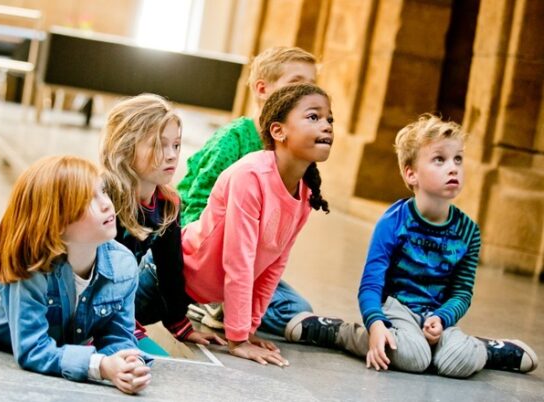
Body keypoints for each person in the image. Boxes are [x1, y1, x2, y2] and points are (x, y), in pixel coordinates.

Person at [285, 114, 539, 377]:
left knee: (457, 362)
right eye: (439, 159)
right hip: (397, 310)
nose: (453, 168)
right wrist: (376, 324)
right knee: (413, 358)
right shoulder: (393, 221)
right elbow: (371, 285)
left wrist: (442, 318)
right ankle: (341, 333)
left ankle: (486, 350)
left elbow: (462, 293)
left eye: (458, 159)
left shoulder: (469, 232)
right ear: (411, 174)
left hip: (438, 318)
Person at [0, 156, 152, 394]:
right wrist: (101, 366)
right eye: (89, 200)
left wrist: (128, 364)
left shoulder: (122, 265)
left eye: (103, 191)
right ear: (57, 221)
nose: (106, 204)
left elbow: (118, 338)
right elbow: (32, 349)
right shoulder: (32, 266)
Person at [181, 83, 334, 366]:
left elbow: (273, 266)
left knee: (298, 305)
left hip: (207, 291)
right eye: (314, 117)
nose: (326, 126)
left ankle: (215, 310)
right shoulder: (250, 175)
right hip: (170, 279)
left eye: (329, 119)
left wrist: (248, 330)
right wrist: (237, 339)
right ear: (278, 131)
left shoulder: (305, 193)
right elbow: (239, 261)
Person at [177, 46, 317, 333]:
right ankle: (203, 297)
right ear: (263, 89)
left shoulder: (289, 151)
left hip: (247, 261)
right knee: (270, 306)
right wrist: (205, 264)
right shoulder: (233, 140)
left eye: (311, 85)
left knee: (298, 308)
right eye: (296, 82)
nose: (306, 93)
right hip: (206, 255)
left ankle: (227, 302)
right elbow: (194, 203)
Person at [100, 94, 225, 346]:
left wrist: (180, 323)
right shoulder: (103, 198)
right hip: (78, 303)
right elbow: (92, 276)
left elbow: (170, 269)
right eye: (159, 145)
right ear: (125, 147)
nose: (171, 155)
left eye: (176, 145)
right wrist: (123, 327)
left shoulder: (167, 204)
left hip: (118, 303)